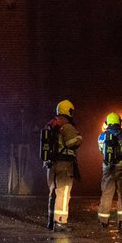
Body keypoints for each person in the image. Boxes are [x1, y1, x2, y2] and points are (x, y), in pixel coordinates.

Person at [44, 99, 83, 231]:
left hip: (50, 164)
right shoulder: (67, 126)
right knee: (64, 192)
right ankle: (60, 222)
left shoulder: (51, 124)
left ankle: (51, 221)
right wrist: (79, 137)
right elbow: (72, 142)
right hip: (64, 163)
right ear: (69, 111)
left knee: (53, 192)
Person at [97, 112, 122, 230]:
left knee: (106, 193)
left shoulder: (102, 136)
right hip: (121, 167)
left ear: (107, 123)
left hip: (107, 168)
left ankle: (103, 221)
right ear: (120, 122)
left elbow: (101, 151)